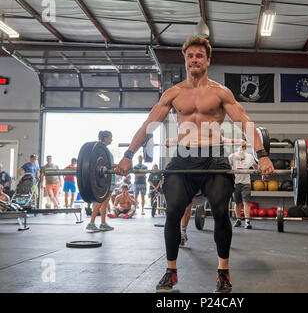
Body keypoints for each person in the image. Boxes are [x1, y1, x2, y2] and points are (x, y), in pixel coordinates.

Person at [115, 36, 273, 293]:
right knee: (173, 211)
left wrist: (261, 154)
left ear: (208, 60)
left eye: (199, 55)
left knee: (221, 211)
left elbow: (245, 122)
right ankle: (171, 271)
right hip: (183, 158)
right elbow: (149, 126)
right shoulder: (173, 93)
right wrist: (128, 155)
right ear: (186, 60)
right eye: (190, 56)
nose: (194, 60)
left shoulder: (221, 92)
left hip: (215, 157)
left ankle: (223, 273)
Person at [86, 131, 115, 233]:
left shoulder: (104, 150)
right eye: (110, 137)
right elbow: (108, 165)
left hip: (109, 180)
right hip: (104, 181)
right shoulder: (101, 150)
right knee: (100, 202)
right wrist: (120, 165)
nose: (112, 139)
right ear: (106, 138)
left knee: (105, 203)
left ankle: (103, 223)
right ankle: (91, 223)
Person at [229, 142, 258, 229]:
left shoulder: (249, 156)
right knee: (237, 203)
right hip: (236, 183)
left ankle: (247, 222)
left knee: (246, 202)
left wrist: (261, 170)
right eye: (241, 146)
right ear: (237, 147)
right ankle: (238, 220)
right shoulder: (232, 156)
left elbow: (255, 167)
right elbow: (228, 167)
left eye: (244, 146)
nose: (242, 148)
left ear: (246, 148)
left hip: (246, 183)